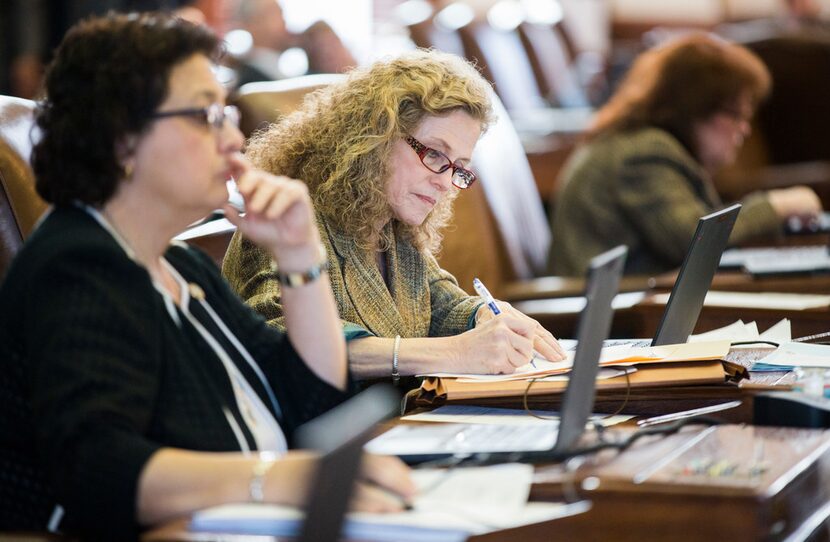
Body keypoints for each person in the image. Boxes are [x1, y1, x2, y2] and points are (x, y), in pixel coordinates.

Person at [0, 12, 413, 539]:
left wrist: (299, 257)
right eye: (207, 115)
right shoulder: (76, 268)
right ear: (123, 140)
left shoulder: (179, 265)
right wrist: (280, 479)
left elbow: (310, 400)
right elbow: (102, 469)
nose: (235, 136)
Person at [222, 50, 566, 382]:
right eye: (435, 155)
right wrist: (454, 353)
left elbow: (439, 304)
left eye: (459, 168)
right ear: (374, 139)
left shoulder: (390, 219)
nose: (446, 182)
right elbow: (283, 337)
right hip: (323, 437)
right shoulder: (286, 219)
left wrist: (483, 316)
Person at [549, 33, 823, 276]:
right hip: (615, 315)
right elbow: (693, 243)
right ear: (695, 107)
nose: (745, 129)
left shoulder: (641, 143)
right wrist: (776, 206)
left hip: (634, 303)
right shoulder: (642, 154)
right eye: (736, 114)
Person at [230, 0, 356, 87]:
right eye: (275, 12)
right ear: (252, 25)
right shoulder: (250, 83)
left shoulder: (285, 74)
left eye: (282, 13)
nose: (284, 20)